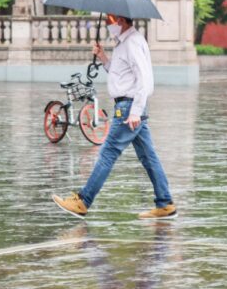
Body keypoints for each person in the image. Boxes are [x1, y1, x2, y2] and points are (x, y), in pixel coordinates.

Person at [52, 13, 176, 220]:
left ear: (122, 21)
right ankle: (165, 203)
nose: (109, 24)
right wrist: (103, 58)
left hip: (128, 108)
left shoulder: (133, 43)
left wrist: (136, 111)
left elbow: (143, 79)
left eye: (111, 20)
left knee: (108, 153)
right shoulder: (123, 43)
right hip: (129, 105)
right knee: (148, 157)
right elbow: (121, 75)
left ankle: (83, 200)